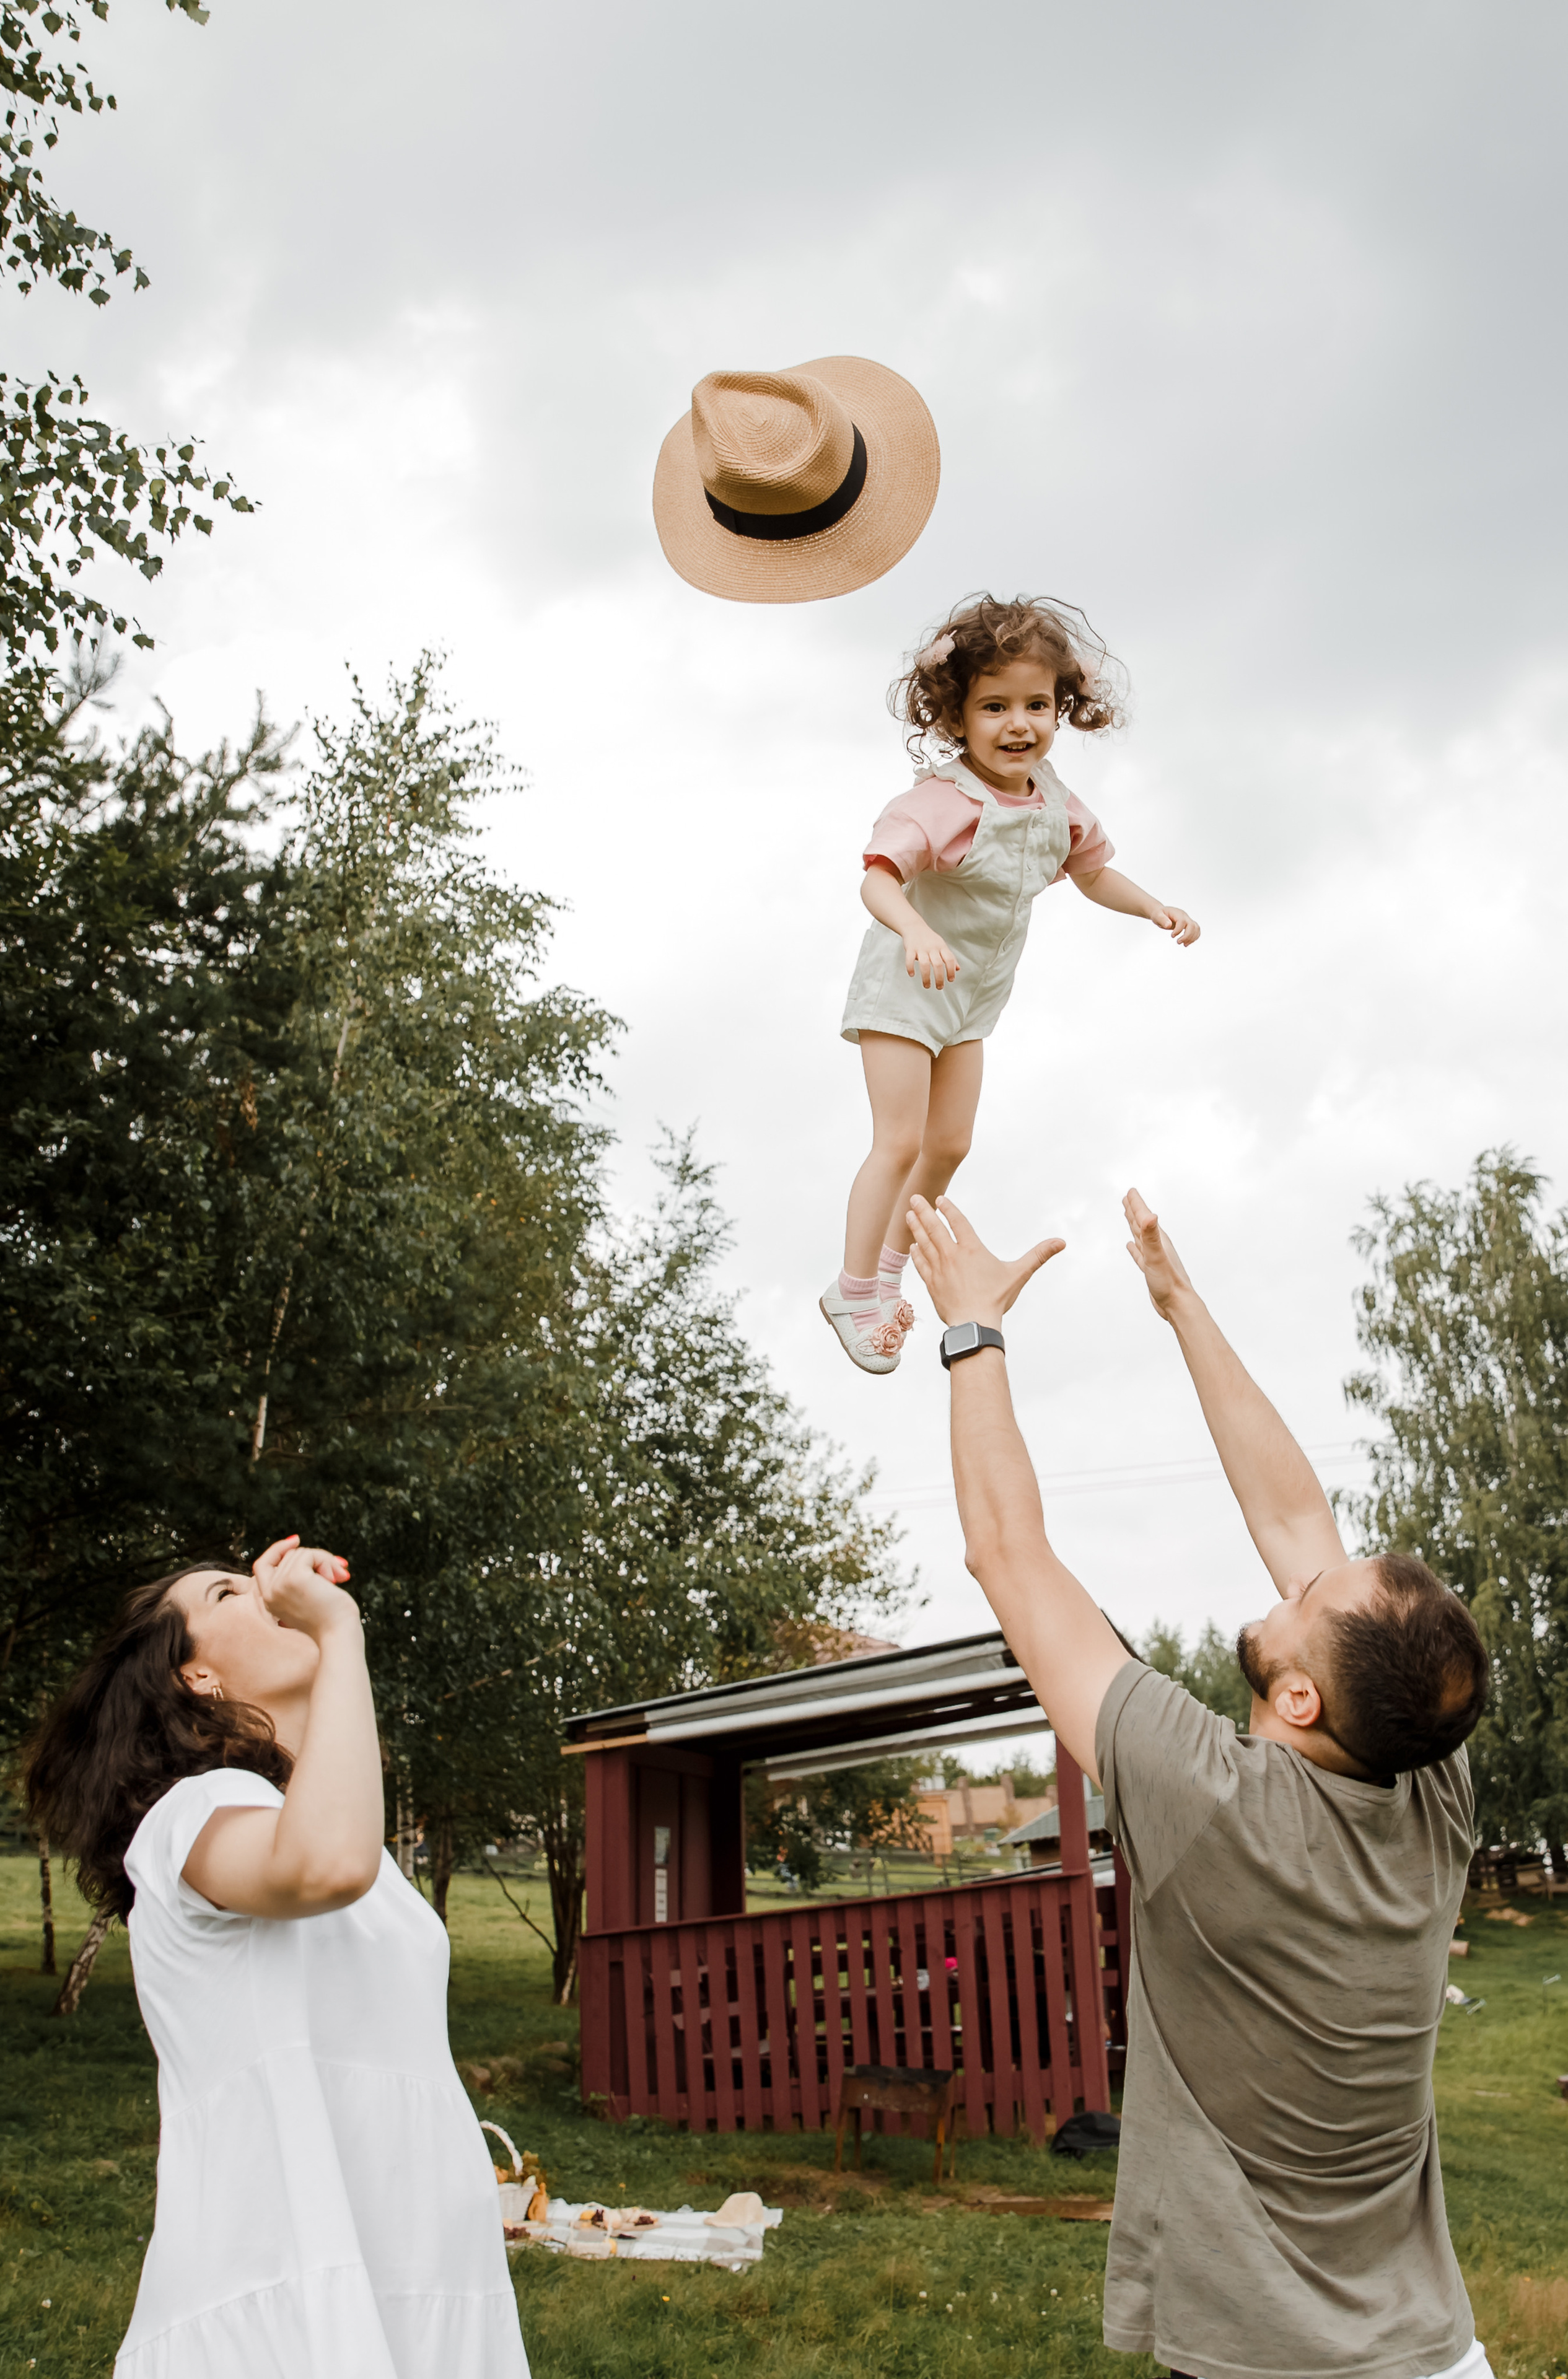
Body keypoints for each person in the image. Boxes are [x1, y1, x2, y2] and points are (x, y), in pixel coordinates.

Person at [904, 1188, 1494, 2379]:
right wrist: (1182, 1304)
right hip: (1434, 2355)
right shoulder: (1429, 1772)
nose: (1291, 1579)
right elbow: (1291, 1509)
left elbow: (1008, 1557)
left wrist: (971, 1330)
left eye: (1308, 1601)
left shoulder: (1213, 1805)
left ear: (1299, 1702)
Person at [26, 1536, 530, 2379]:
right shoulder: (194, 1814)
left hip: (415, 2267)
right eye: (228, 1595)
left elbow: (336, 1846)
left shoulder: (341, 1838)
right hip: (285, 2282)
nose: (262, 1590)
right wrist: (338, 1631)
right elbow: (322, 1864)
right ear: (196, 1677)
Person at [823, 594, 1200, 1375]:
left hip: (971, 998)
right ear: (955, 719)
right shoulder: (941, 802)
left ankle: (890, 1276)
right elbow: (877, 881)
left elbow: (1093, 874)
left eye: (1036, 704)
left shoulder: (1055, 804)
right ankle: (854, 1289)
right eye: (994, 707)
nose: (1018, 724)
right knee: (898, 1142)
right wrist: (916, 930)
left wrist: (1152, 907)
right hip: (905, 982)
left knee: (949, 1144)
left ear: (1062, 710)